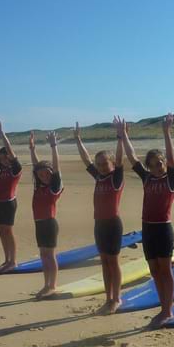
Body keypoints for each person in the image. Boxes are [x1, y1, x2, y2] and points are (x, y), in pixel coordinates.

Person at [116, 115, 174, 329]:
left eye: (159, 163)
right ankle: (163, 307)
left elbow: (171, 158)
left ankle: (167, 310)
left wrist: (166, 133)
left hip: (163, 229)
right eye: (151, 165)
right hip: (147, 229)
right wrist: (124, 135)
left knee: (165, 269)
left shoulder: (171, 179)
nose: (156, 168)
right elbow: (132, 158)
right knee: (154, 271)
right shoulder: (147, 178)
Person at [75, 121, 125, 314]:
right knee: (104, 262)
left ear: (112, 164)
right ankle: (108, 298)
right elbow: (86, 160)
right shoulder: (99, 177)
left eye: (106, 164)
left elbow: (121, 158)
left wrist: (120, 137)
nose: (102, 167)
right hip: (99, 225)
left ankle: (117, 298)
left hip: (113, 224)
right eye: (100, 165)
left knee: (113, 262)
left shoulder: (115, 178)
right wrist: (78, 139)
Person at [29, 130, 63, 298]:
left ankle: (53, 285)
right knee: (43, 255)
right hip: (39, 224)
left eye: (47, 174)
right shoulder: (39, 186)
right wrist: (32, 149)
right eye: (41, 175)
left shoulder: (53, 187)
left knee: (50, 255)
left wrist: (53, 146)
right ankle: (46, 284)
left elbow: (56, 168)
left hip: (49, 224)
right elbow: (36, 167)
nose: (44, 176)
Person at [0, 118, 23, 273]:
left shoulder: (15, 169)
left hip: (8, 203)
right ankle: (6, 260)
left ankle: (13, 261)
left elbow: (9, 150)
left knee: (8, 231)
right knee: (1, 231)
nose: (2, 159)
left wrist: (1, 132)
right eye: (1, 158)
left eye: (5, 157)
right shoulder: (2, 168)